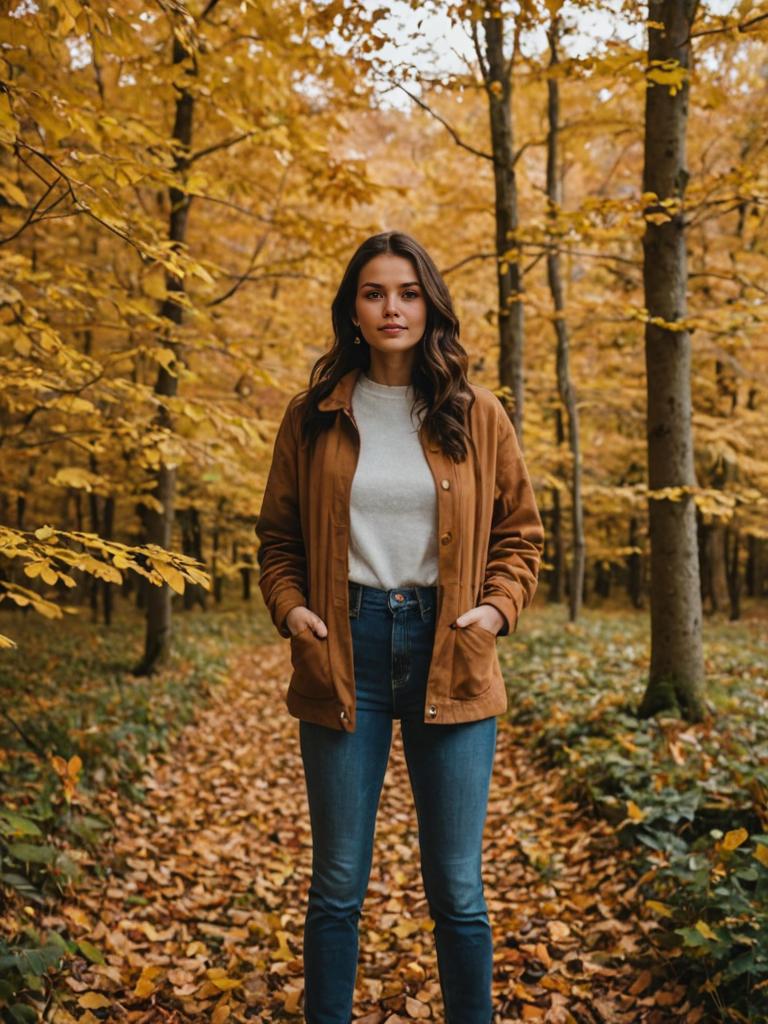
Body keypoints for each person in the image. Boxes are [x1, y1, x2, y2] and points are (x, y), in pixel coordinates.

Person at [255, 230, 544, 1024]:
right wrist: (295, 611)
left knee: (457, 887)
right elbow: (277, 540)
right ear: (354, 307)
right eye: (376, 292)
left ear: (430, 305)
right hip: (342, 646)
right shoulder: (313, 415)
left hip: (451, 647)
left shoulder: (477, 414)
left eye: (408, 292)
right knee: (338, 884)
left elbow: (522, 535)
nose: (392, 308)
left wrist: (493, 611)